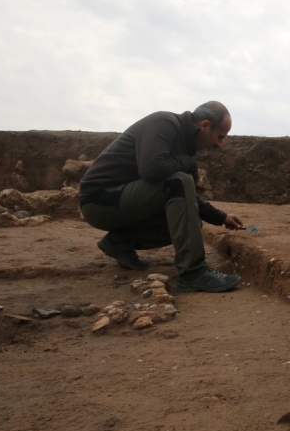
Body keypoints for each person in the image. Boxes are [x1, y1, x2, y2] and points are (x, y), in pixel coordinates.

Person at [79, 101, 244, 293]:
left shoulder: (184, 142)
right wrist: (189, 164)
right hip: (99, 199)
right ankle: (194, 273)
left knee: (190, 221)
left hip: (122, 200)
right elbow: (152, 170)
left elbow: (185, 195)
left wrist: (221, 217)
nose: (220, 144)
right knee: (180, 181)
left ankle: (120, 242)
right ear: (205, 125)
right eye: (220, 137)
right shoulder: (165, 123)